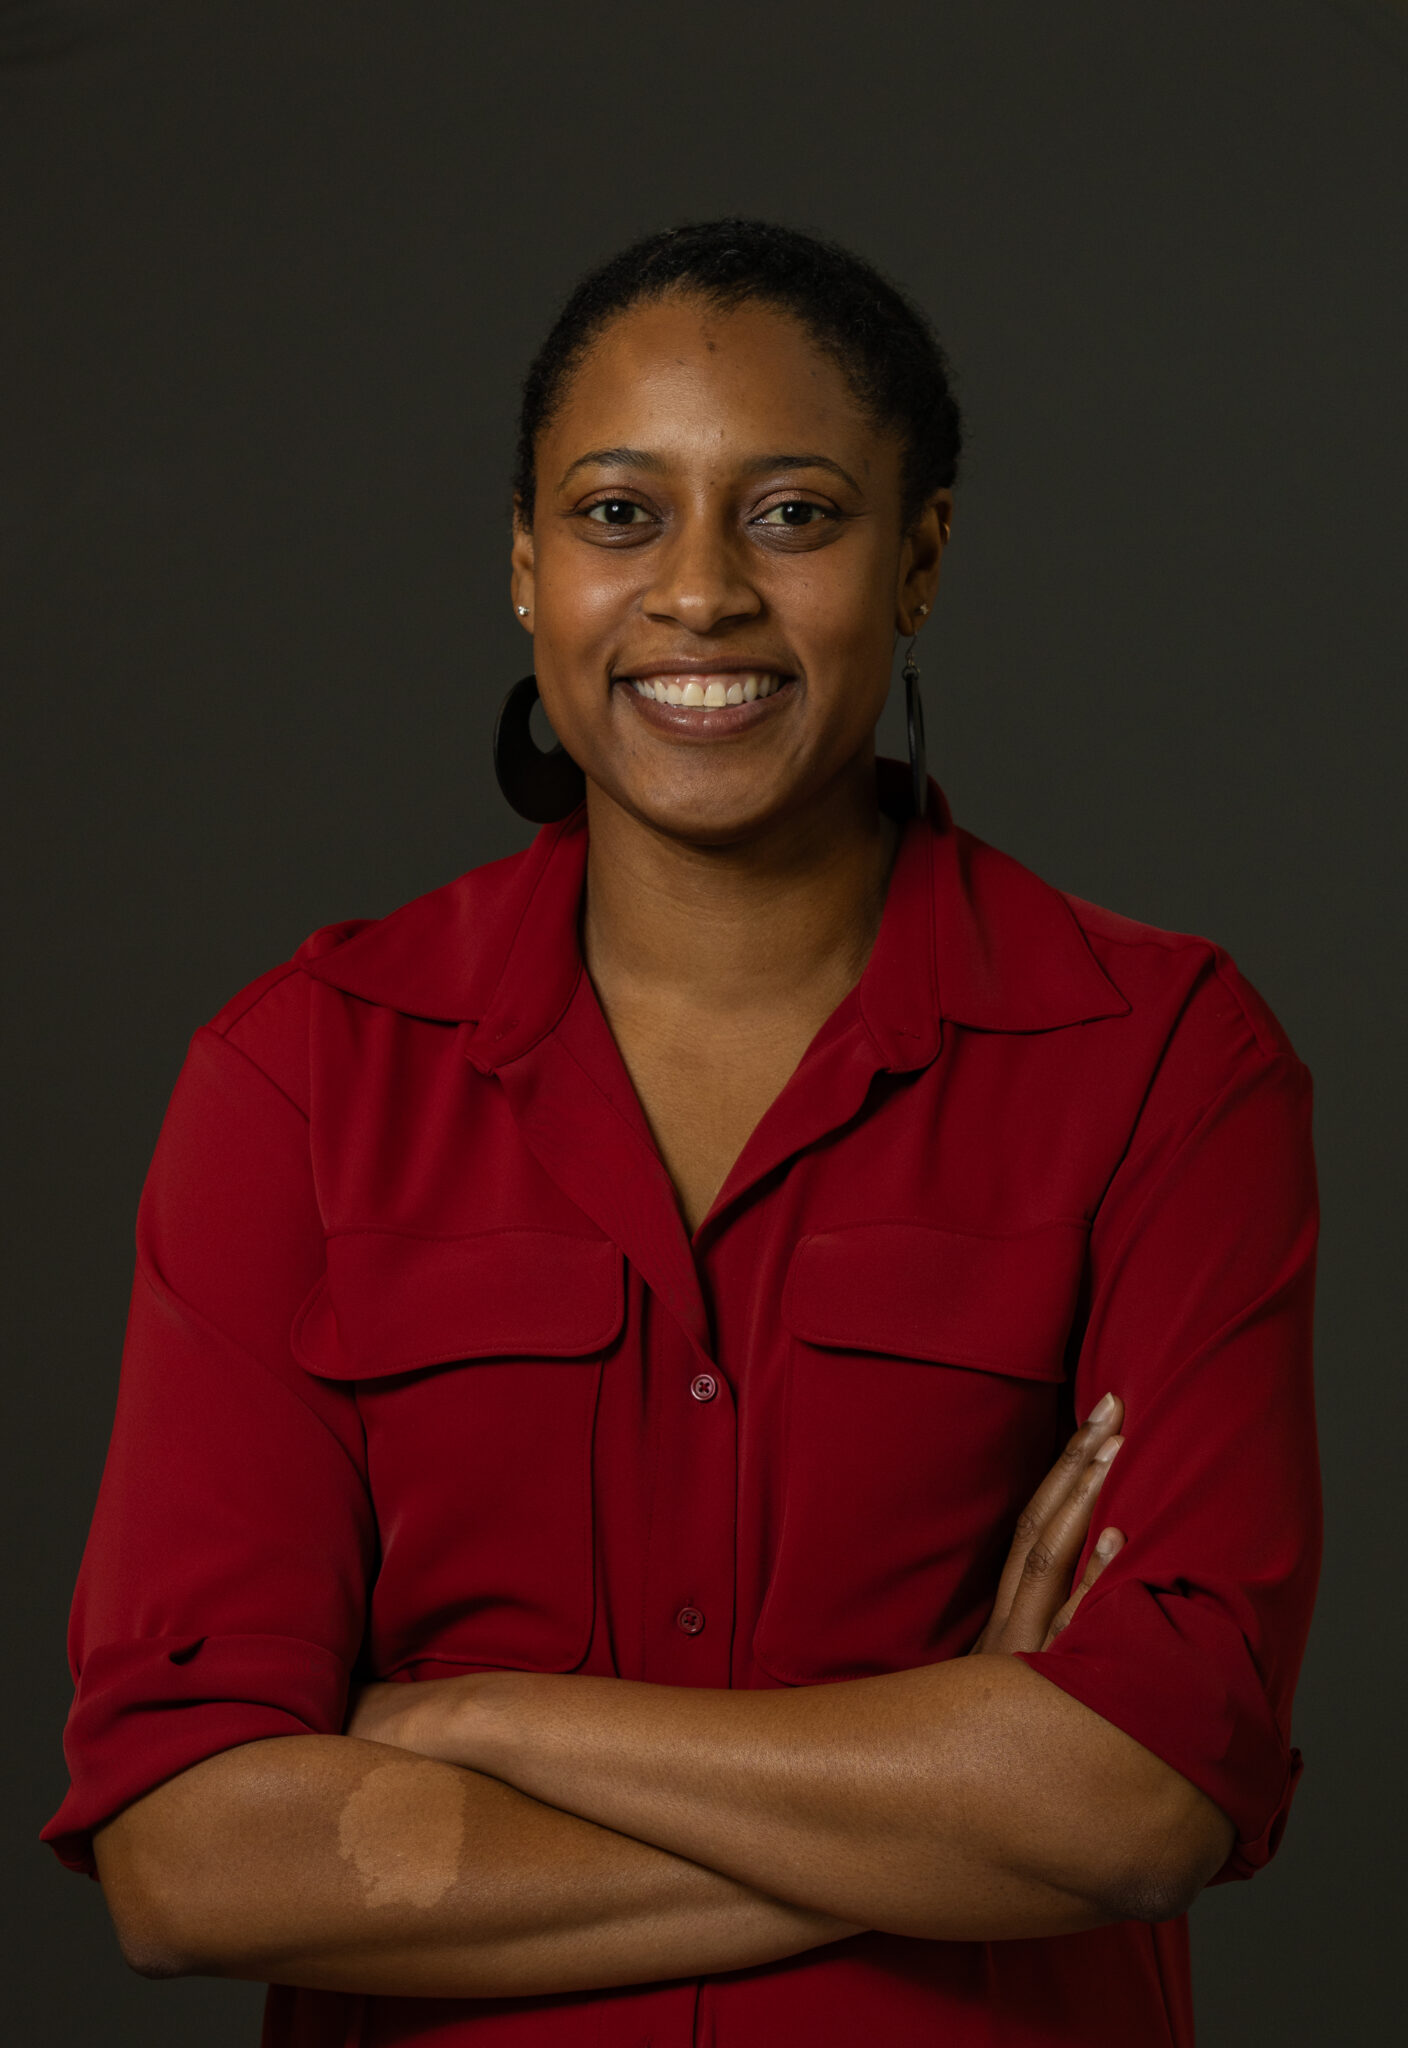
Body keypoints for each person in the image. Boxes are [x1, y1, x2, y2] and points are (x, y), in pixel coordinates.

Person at [43, 219, 1321, 2047]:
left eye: (794, 513)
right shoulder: (301, 1079)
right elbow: (191, 1861)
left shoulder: (1166, 1063)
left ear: (921, 557)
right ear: (522, 559)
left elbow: (1137, 1802)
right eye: (619, 514)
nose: (700, 592)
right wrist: (956, 1772)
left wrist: (471, 1717)